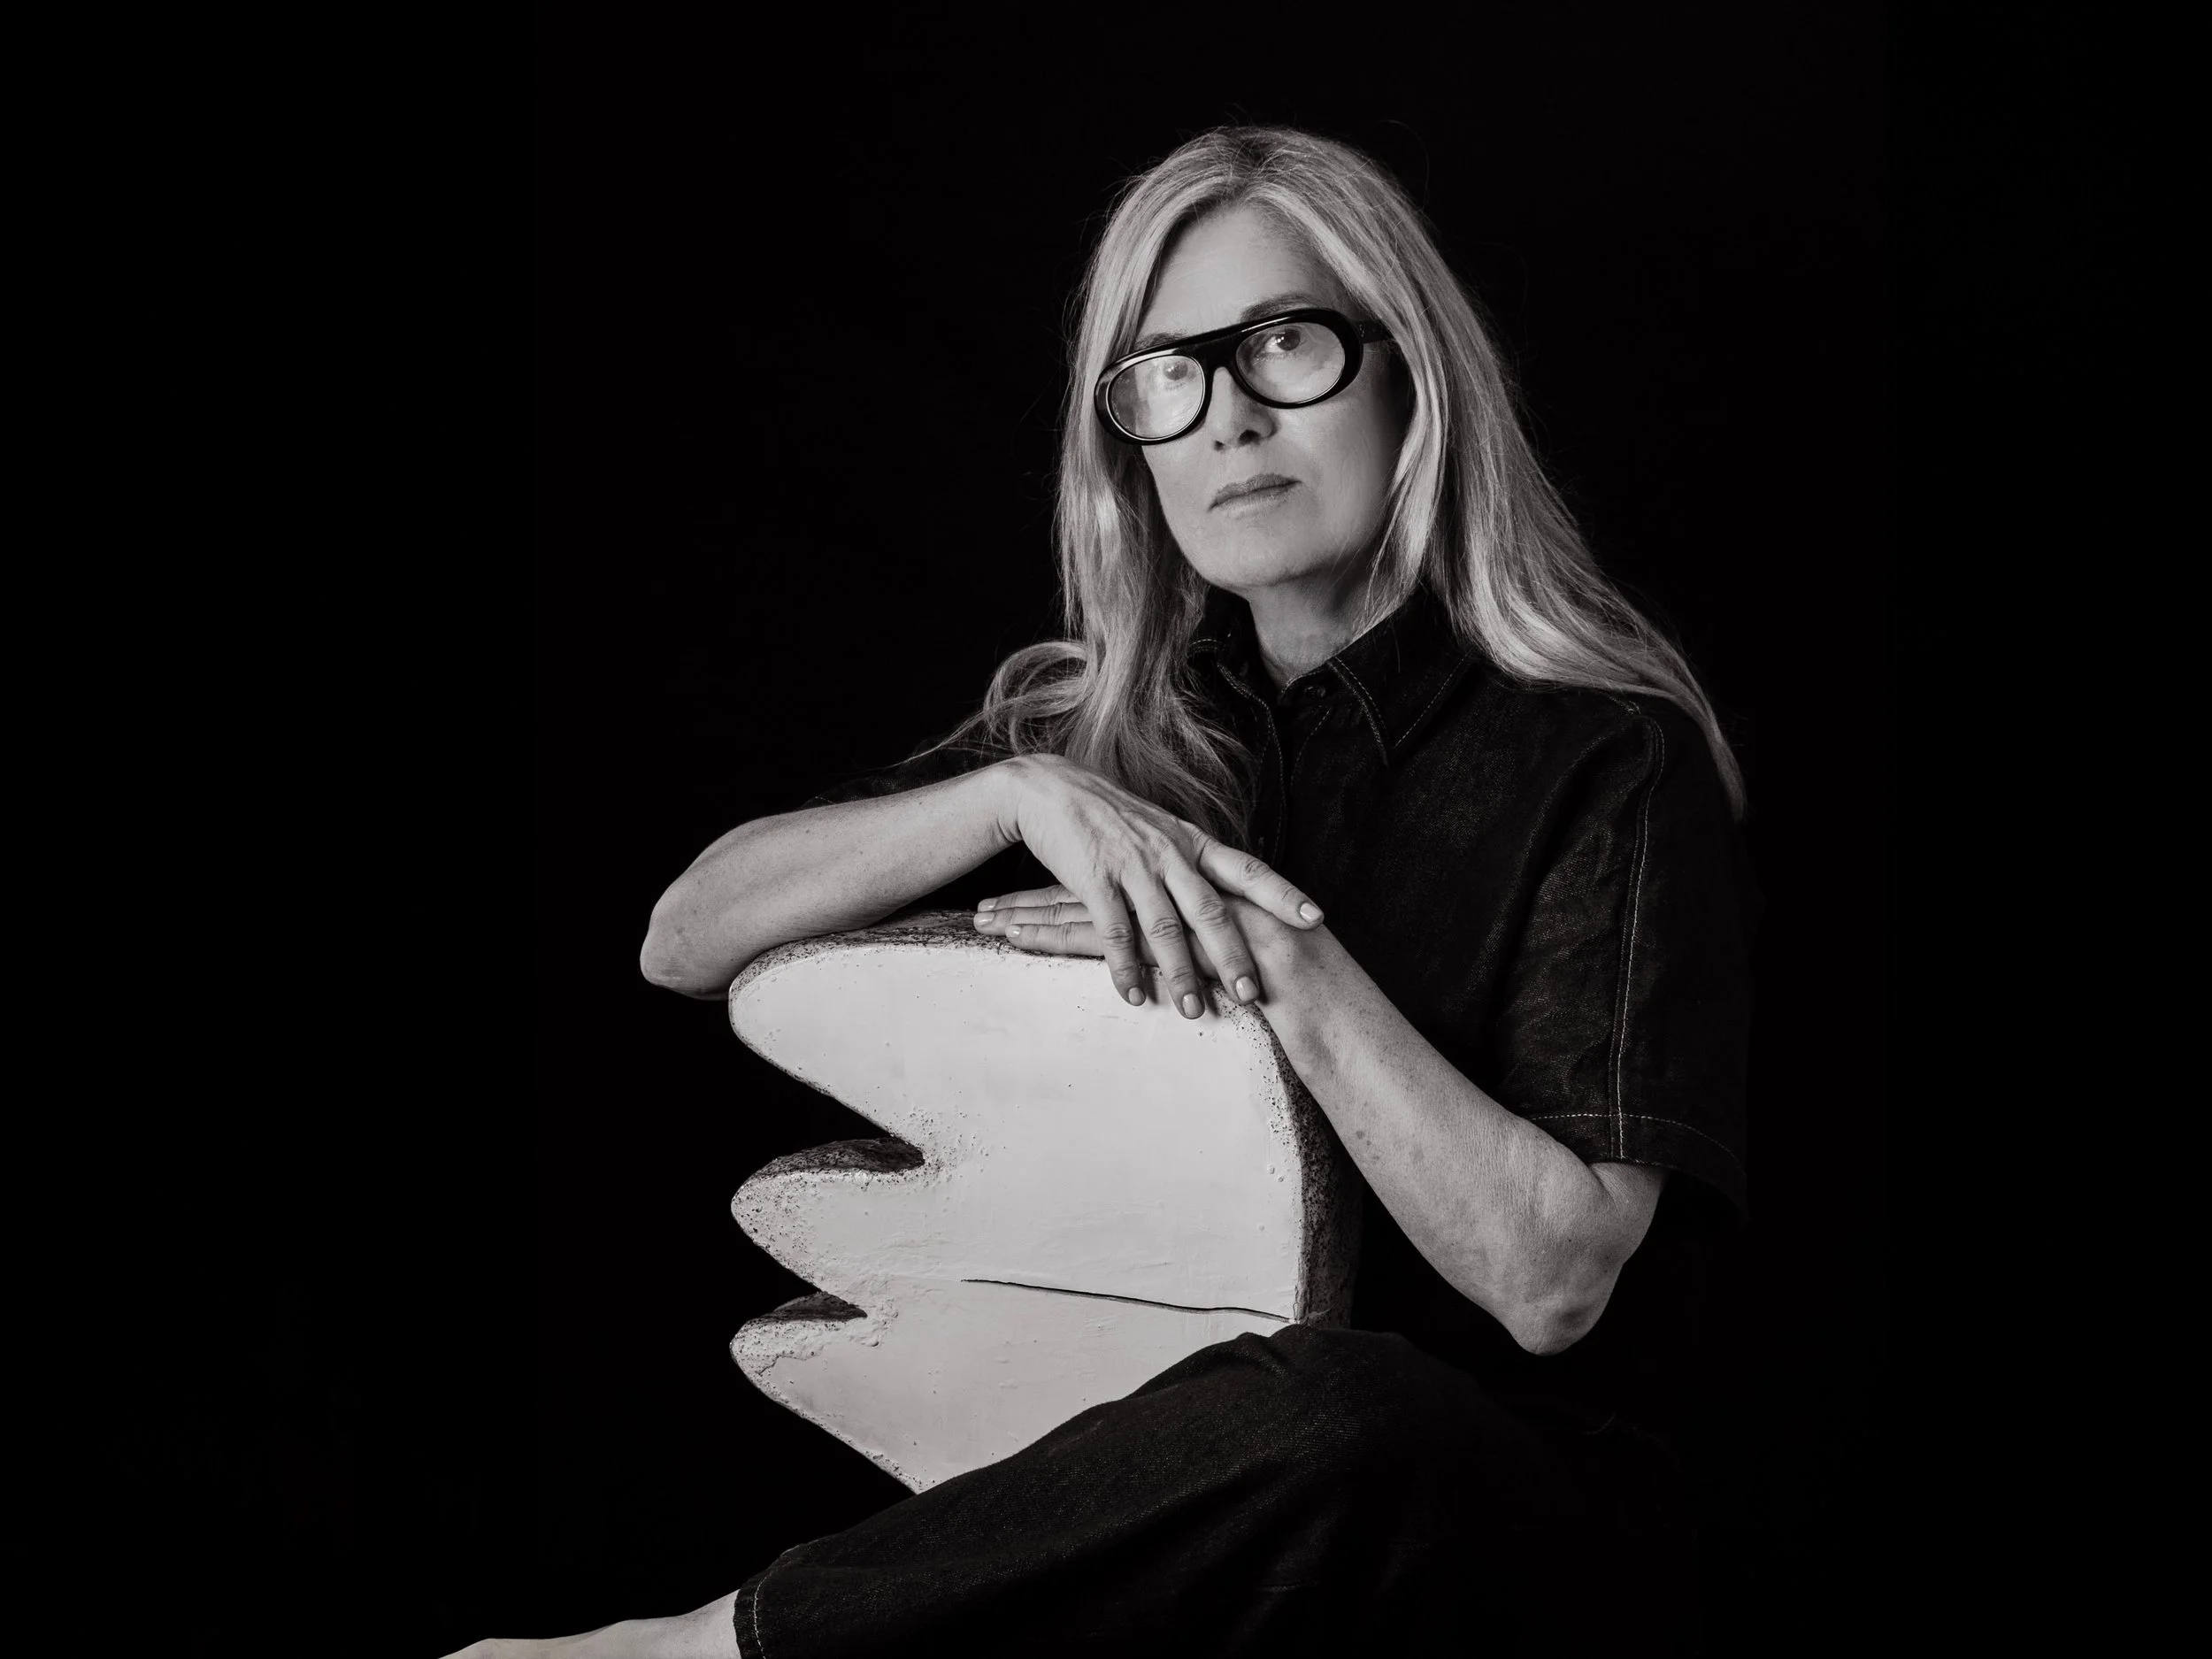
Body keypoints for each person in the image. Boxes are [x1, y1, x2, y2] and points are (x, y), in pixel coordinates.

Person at [465, 124, 1755, 1657]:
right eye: (1166, 374)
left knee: (1355, 1403)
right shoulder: (1107, 736)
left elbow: (1550, 1283)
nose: (1227, 420)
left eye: (1284, 343)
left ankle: (713, 1648)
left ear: (1410, 374)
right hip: (1156, 1520)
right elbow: (684, 938)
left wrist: (1261, 945)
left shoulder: (1606, 752)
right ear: (1127, 440)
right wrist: (1015, 790)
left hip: (1487, 1533)